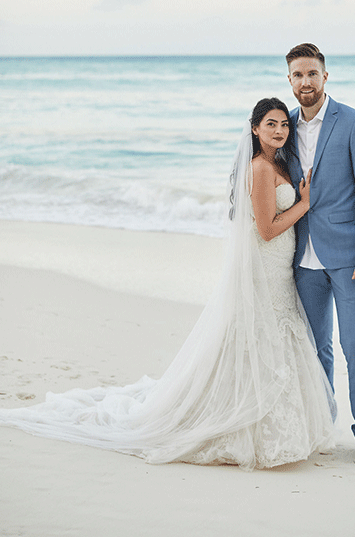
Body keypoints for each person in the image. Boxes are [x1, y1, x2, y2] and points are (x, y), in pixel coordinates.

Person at [0, 97, 336, 471]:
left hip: (279, 269)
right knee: (258, 336)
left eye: (283, 125)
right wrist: (304, 204)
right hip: (265, 265)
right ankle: (240, 422)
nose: (279, 131)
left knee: (274, 336)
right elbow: (267, 229)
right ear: (255, 129)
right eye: (270, 124)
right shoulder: (259, 168)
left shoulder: (277, 164)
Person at [285, 43, 355, 468]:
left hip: (348, 256)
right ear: (289, 81)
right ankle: (323, 423)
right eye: (296, 76)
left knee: (353, 344)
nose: (305, 82)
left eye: (311, 74)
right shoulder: (283, 127)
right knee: (315, 348)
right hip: (302, 258)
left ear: (325, 77)